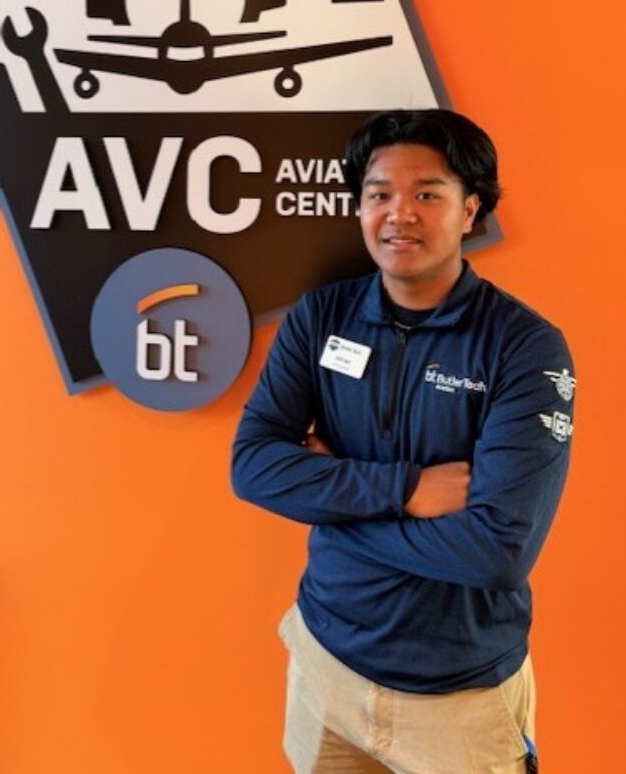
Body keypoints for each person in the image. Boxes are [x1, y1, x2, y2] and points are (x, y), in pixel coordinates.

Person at [231, 108, 575, 774]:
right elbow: (253, 466)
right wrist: (407, 489)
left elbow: (496, 552)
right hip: (326, 664)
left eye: (427, 194)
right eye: (379, 194)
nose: (399, 213)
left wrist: (334, 513)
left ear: (470, 209)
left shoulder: (525, 348)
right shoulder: (319, 317)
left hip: (459, 701)